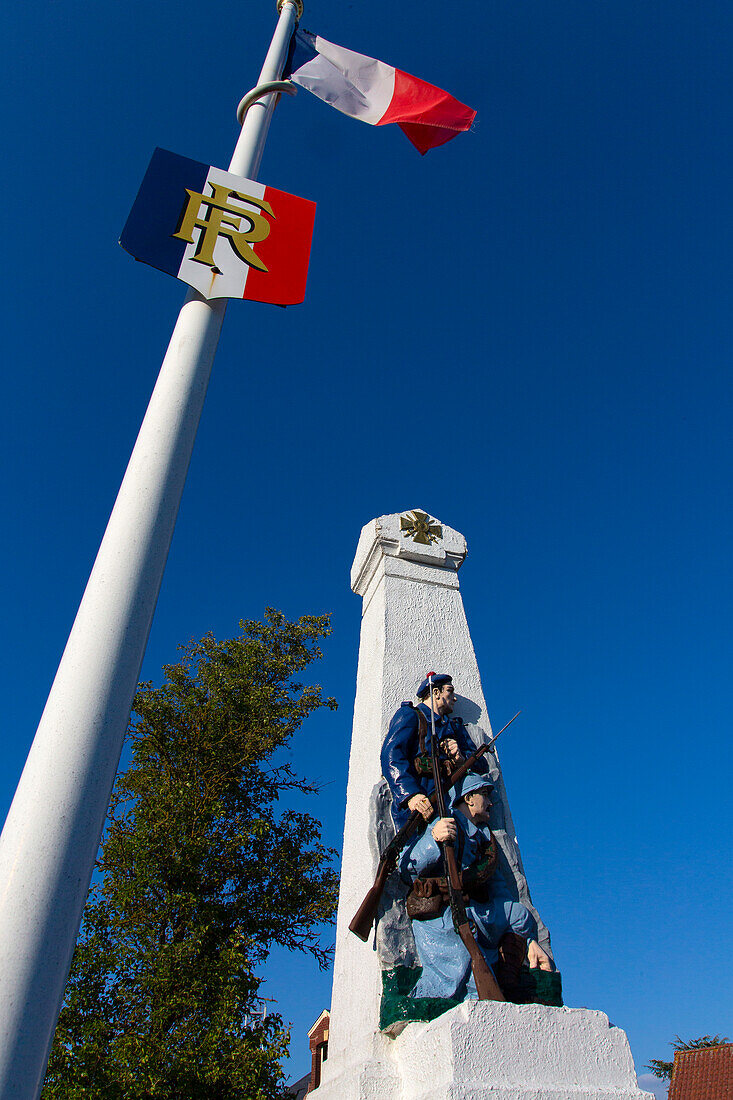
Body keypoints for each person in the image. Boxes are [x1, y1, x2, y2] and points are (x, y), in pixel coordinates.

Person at [398, 772, 553, 1001]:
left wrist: (529, 940)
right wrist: (434, 839)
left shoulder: (484, 838)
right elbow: (406, 868)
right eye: (484, 795)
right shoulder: (442, 824)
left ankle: (509, 980)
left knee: (520, 915)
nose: (490, 802)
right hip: (447, 912)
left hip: (482, 910)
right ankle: (472, 988)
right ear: (469, 798)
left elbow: (498, 886)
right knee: (463, 957)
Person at [380, 672, 490, 830]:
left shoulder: (455, 727)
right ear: (436, 693)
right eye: (450, 691)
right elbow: (391, 755)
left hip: (454, 806)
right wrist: (410, 795)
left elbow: (481, 765)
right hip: (422, 805)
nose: (455, 698)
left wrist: (461, 759)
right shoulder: (411, 716)